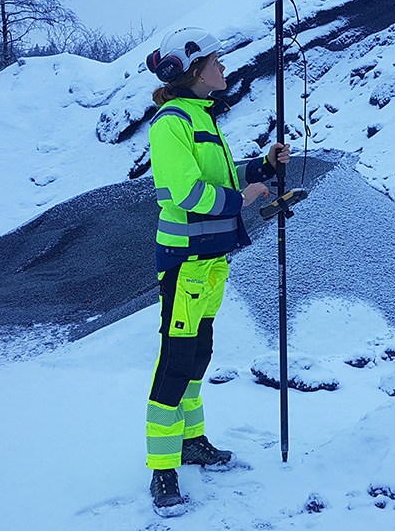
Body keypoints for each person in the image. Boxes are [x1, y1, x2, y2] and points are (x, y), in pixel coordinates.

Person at [144, 27, 290, 515]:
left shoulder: (200, 117)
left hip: (210, 261)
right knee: (175, 361)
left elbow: (218, 177)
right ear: (191, 71)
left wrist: (263, 168)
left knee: (199, 355)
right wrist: (243, 200)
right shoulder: (171, 123)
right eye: (216, 61)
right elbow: (187, 195)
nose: (223, 68)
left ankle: (191, 442)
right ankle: (162, 472)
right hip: (185, 261)